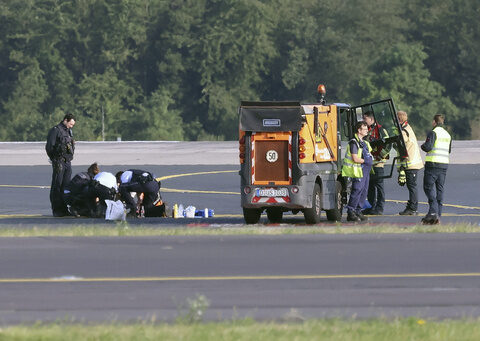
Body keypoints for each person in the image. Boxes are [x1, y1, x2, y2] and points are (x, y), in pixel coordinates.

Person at [420, 114, 452, 224]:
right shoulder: (447, 135)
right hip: (444, 165)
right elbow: (448, 150)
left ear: (434, 122)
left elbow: (428, 147)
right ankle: (438, 213)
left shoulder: (433, 132)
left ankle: (433, 211)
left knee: (428, 187)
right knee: (440, 189)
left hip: (433, 164)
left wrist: (422, 146)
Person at [342, 121, 373, 222]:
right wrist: (365, 161)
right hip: (358, 170)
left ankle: (358, 211)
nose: (367, 131)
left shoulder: (365, 143)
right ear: (359, 130)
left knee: (364, 191)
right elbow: (355, 158)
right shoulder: (354, 142)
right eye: (365, 129)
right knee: (357, 190)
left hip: (366, 170)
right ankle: (351, 212)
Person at [45, 113, 76, 217]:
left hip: (67, 162)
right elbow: (49, 147)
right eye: (70, 124)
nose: (71, 126)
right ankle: (57, 209)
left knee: (65, 186)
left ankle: (64, 209)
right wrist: (54, 160)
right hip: (59, 161)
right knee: (57, 186)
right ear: (65, 120)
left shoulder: (68, 132)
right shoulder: (55, 130)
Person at [362, 111, 390, 215]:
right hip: (369, 163)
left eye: (365, 119)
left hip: (378, 163)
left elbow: (388, 144)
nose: (364, 121)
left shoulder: (381, 130)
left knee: (379, 186)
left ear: (371, 119)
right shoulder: (366, 130)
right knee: (370, 187)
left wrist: (380, 155)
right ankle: (370, 207)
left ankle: (379, 208)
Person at [396, 111, 424, 215]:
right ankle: (412, 207)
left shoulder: (404, 131)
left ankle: (412, 208)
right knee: (412, 186)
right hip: (412, 163)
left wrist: (402, 167)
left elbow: (402, 147)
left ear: (399, 119)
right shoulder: (408, 128)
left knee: (412, 186)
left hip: (410, 164)